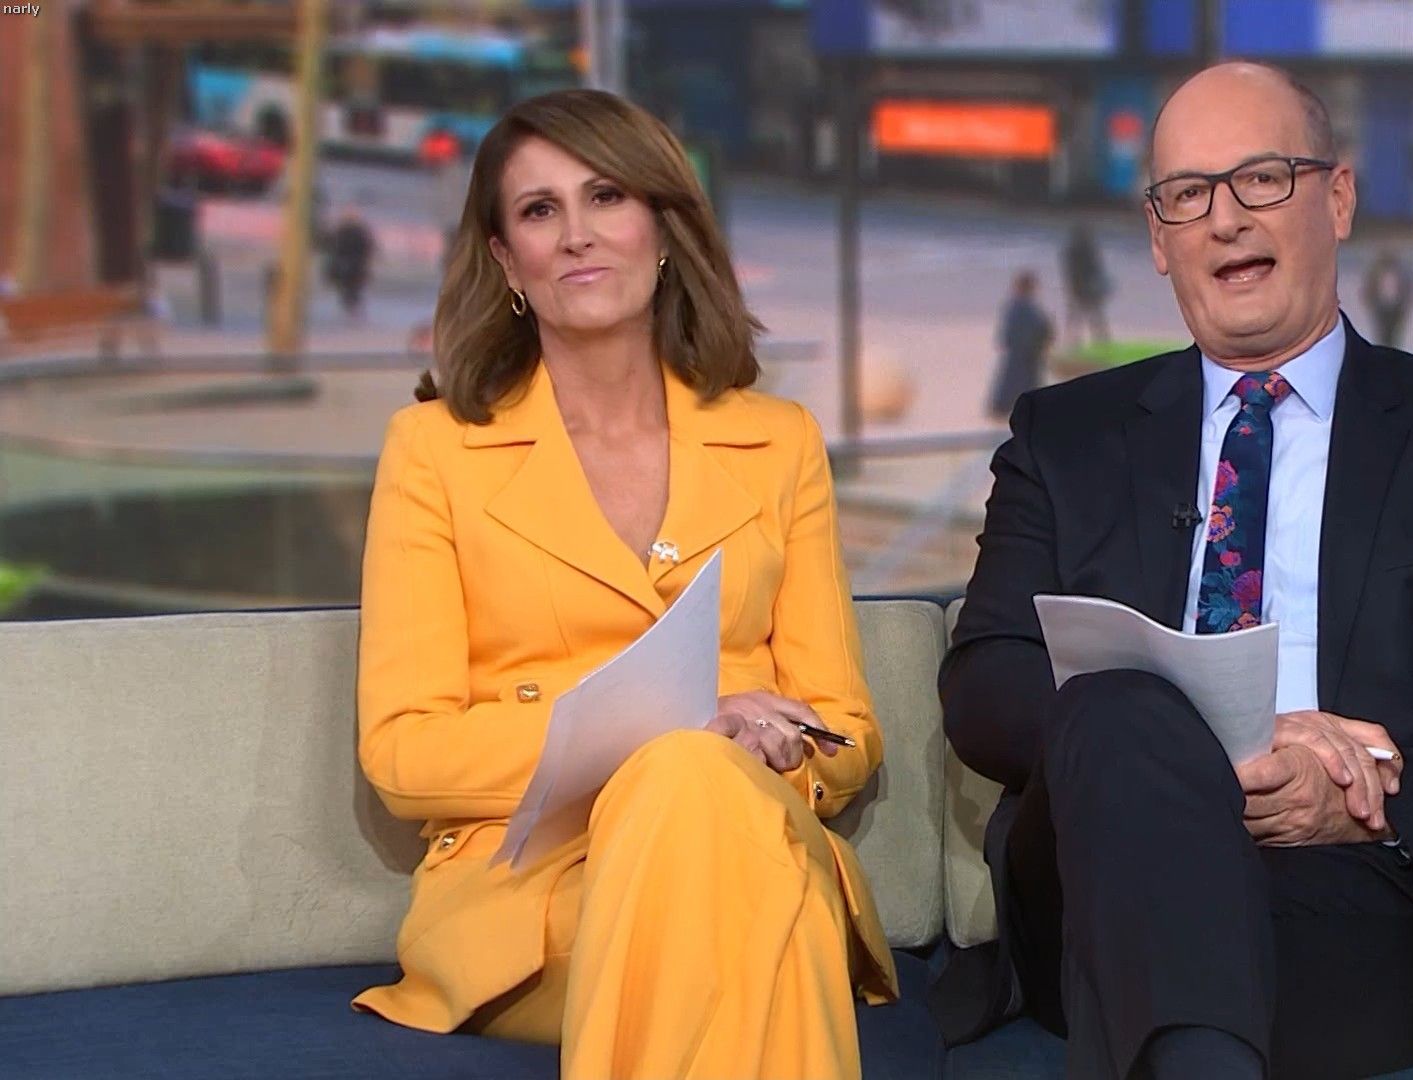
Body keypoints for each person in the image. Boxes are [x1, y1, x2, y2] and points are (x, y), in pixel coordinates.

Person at [931, 63, 1413, 1080]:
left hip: (1361, 880)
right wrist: (1184, 751)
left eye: (1263, 178)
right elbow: (984, 686)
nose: (1225, 218)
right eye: (1188, 194)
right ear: (1159, 239)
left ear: (1339, 198)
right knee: (1119, 703)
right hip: (1097, 873)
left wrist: (1363, 788)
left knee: (1198, 958)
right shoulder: (1066, 436)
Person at [352, 89, 898, 1079]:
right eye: (539, 210)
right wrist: (671, 727)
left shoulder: (779, 444)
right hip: (538, 897)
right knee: (704, 815)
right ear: (506, 261)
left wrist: (768, 749)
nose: (577, 234)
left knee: (703, 799)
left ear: (661, 226)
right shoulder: (433, 452)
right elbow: (404, 753)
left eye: (606, 196)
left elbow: (846, 732)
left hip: (748, 832)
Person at [988, 269, 1054, 419]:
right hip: (1023, 351)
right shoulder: (1020, 307)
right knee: (1017, 379)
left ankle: (1009, 407)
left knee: (1021, 379)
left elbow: (1041, 328)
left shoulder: (1023, 307)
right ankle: (1005, 407)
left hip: (1028, 351)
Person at [1060, 222, 1112, 348]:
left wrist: (1071, 288)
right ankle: (1101, 341)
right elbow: (1096, 269)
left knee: (1077, 317)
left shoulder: (1072, 251)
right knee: (1094, 316)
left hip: (1078, 288)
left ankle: (1073, 342)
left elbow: (1070, 272)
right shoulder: (1088, 251)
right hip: (1088, 288)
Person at [325, 204, 377, 319]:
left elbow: (367, 247)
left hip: (353, 264)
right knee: (349, 288)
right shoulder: (345, 230)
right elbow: (332, 246)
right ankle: (352, 308)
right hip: (348, 264)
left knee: (351, 289)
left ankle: (352, 308)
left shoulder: (354, 231)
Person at [1360, 245, 1413, 349]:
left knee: (1394, 335)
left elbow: (1408, 287)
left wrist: (1404, 304)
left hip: (1396, 307)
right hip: (1381, 307)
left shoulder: (1400, 271)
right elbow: (1369, 288)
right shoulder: (1377, 270)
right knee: (1383, 334)